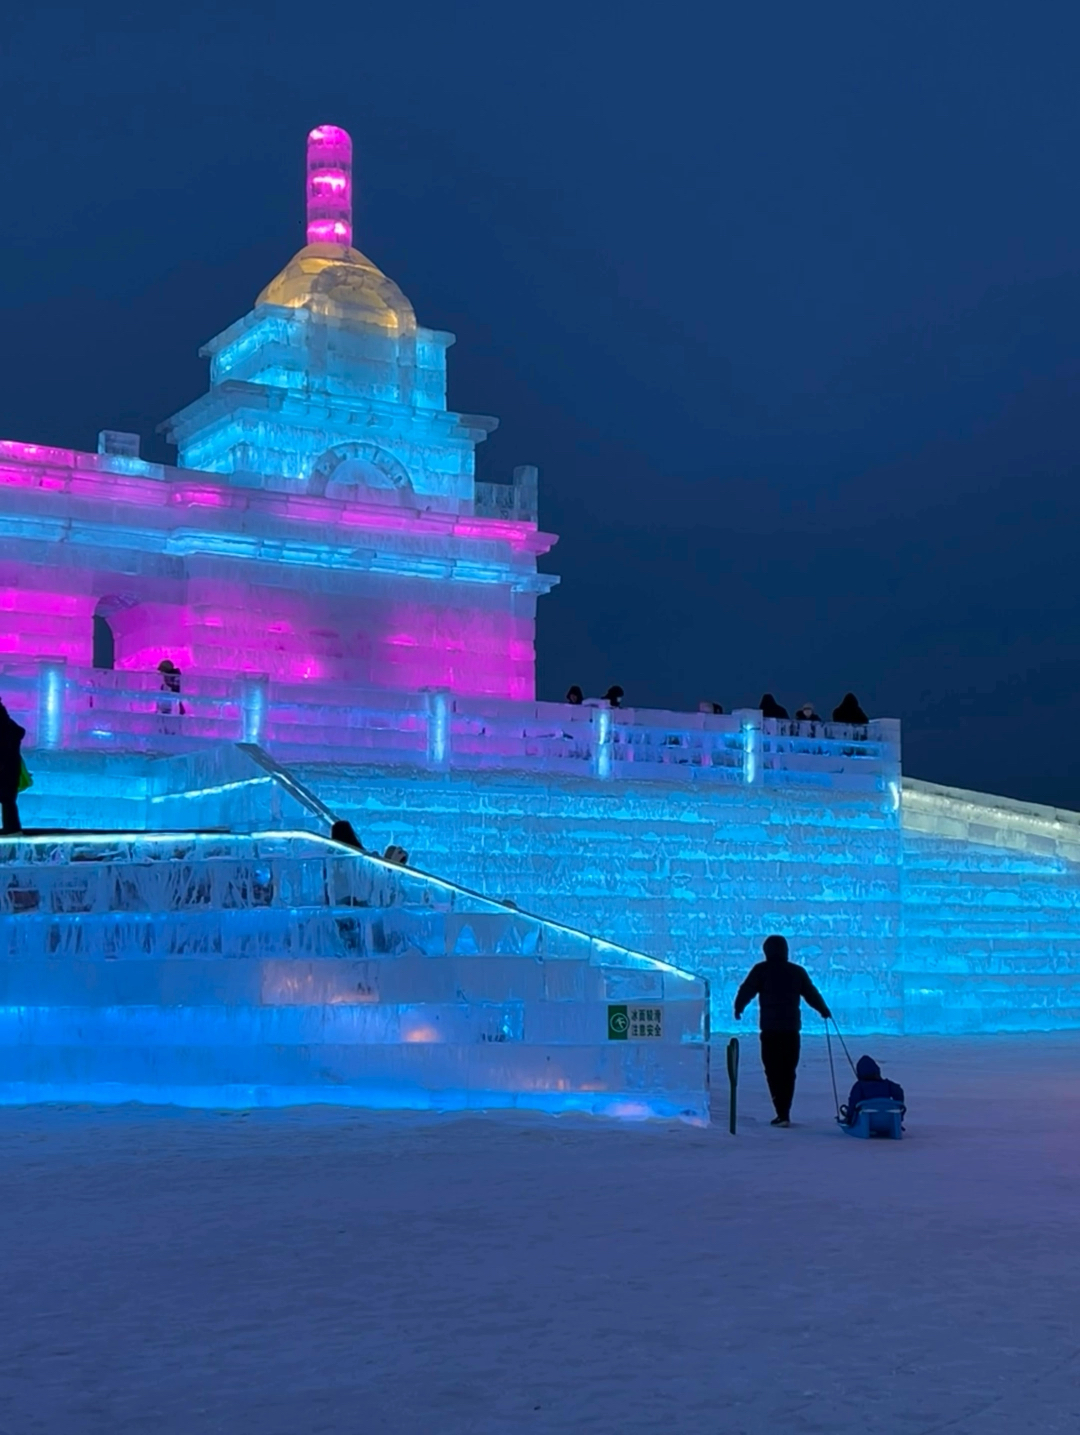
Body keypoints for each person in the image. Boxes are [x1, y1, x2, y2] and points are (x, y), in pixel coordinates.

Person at [734, 934, 831, 1126]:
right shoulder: (796, 972)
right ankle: (785, 1112)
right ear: (786, 950)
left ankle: (781, 1112)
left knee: (772, 1070)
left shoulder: (761, 970)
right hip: (791, 1030)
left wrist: (739, 1007)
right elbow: (811, 993)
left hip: (770, 1030)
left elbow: (747, 990)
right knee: (788, 1071)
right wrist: (823, 1010)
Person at [842, 1054, 905, 1126]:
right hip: (887, 1120)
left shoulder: (859, 1086)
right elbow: (899, 1093)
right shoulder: (888, 1085)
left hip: (867, 1121)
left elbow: (853, 1101)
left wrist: (849, 1117)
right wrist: (899, 1111)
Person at [0, 700, 26, 835]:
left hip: (5, 767)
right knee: (8, 799)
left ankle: (12, 828)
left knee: (7, 799)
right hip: (9, 766)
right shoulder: (8, 725)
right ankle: (12, 828)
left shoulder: (5, 727)